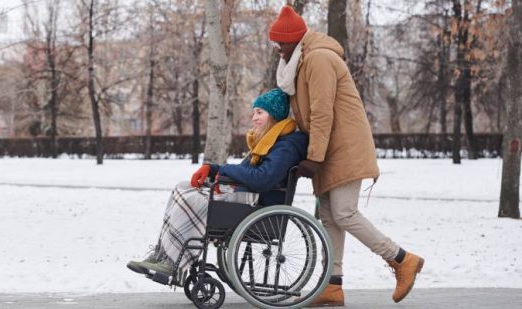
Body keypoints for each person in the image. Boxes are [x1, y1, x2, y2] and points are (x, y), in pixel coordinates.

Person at [267, 5, 424, 307]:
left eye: (280, 42)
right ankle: (332, 285)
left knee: (344, 213)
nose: (277, 48)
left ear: (294, 39)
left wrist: (313, 158)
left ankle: (401, 259)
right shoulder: (300, 62)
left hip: (343, 148)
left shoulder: (319, 59)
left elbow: (321, 113)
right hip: (329, 149)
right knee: (329, 217)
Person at [126, 88, 309, 282]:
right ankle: (162, 253)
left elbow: (262, 179)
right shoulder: (270, 140)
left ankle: (173, 262)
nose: (254, 117)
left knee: (192, 199)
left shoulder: (286, 146)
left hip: (259, 203)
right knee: (183, 187)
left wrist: (225, 170)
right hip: (249, 196)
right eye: (254, 112)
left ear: (274, 115)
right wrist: (213, 169)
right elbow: (248, 173)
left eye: (259, 112)